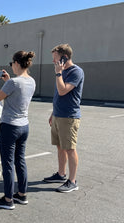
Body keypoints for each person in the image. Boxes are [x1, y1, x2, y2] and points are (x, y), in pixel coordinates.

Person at [0, 51, 36, 210]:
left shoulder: (13, 83)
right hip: (24, 126)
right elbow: (17, 94)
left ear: (17, 63)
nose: (11, 66)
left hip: (10, 126)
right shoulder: (31, 81)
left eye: (11, 63)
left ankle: (8, 199)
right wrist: (8, 80)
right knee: (20, 160)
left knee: (8, 163)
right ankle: (22, 195)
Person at [43, 44, 84, 193]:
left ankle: (72, 181)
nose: (54, 62)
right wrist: (53, 113)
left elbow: (62, 91)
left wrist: (58, 74)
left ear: (64, 57)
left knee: (70, 148)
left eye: (55, 58)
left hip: (69, 117)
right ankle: (61, 174)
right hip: (58, 115)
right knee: (60, 147)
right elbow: (58, 97)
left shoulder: (76, 72)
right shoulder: (62, 71)